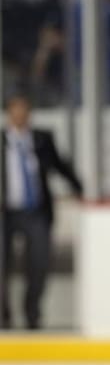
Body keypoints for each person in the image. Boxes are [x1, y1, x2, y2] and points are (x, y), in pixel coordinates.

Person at [1, 92, 82, 330]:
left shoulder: (41, 139)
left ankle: (32, 314)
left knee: (38, 265)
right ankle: (3, 316)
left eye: (24, 110)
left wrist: (80, 188)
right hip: (5, 214)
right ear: (8, 113)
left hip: (36, 211)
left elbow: (60, 165)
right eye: (15, 110)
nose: (20, 115)